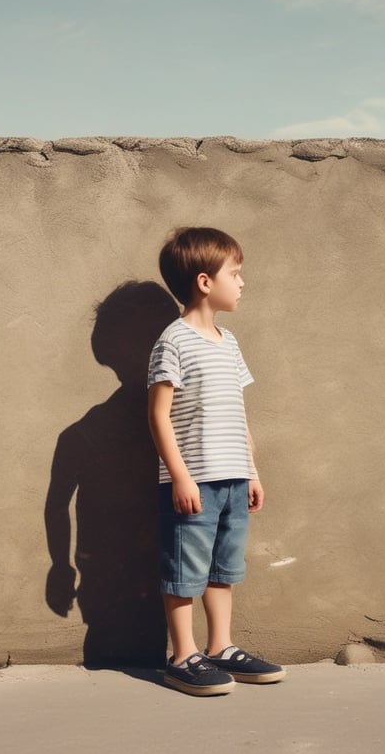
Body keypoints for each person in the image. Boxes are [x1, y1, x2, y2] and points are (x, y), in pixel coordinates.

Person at [147, 227, 285, 696]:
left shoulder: (229, 341)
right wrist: (180, 477)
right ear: (205, 282)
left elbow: (237, 412)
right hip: (194, 483)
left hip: (232, 479)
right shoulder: (173, 341)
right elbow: (158, 416)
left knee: (223, 569)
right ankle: (183, 655)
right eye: (236, 273)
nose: (243, 282)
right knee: (185, 570)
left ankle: (220, 647)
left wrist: (253, 470)